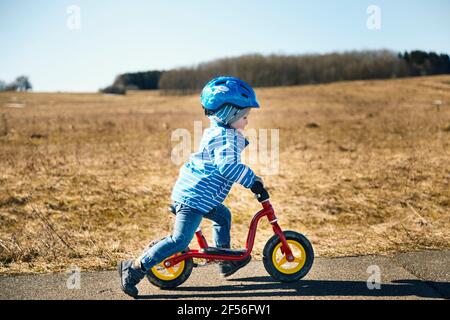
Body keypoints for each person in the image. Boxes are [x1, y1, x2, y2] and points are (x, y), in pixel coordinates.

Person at [118, 76, 265, 297]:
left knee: (223, 216)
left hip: (199, 196)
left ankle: (224, 258)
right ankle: (134, 268)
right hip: (193, 200)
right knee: (179, 240)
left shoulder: (217, 130)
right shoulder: (226, 138)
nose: (247, 121)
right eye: (244, 116)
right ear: (229, 113)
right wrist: (252, 180)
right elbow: (228, 167)